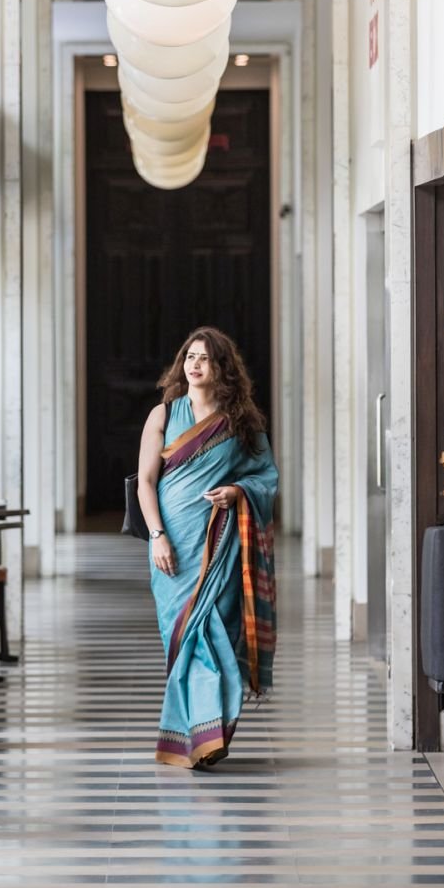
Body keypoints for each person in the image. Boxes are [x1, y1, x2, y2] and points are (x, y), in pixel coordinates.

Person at [137, 327, 279, 770]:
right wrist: (157, 536)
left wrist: (237, 491)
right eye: (189, 357)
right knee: (184, 640)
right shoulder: (164, 414)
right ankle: (197, 734)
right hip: (173, 549)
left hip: (220, 546)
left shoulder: (242, 422)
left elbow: (266, 478)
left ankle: (209, 734)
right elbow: (145, 483)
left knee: (217, 638)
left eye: (204, 358)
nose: (194, 365)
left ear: (222, 368)